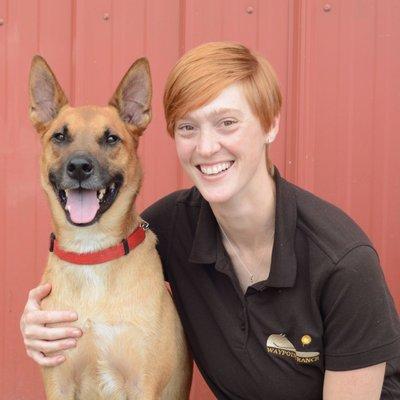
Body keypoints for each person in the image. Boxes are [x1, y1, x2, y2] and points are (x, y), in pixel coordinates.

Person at [20, 42, 400, 399]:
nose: (205, 146)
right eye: (188, 127)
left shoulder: (342, 262)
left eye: (227, 123)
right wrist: (35, 324)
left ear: (270, 125)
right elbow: (99, 256)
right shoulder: (164, 230)